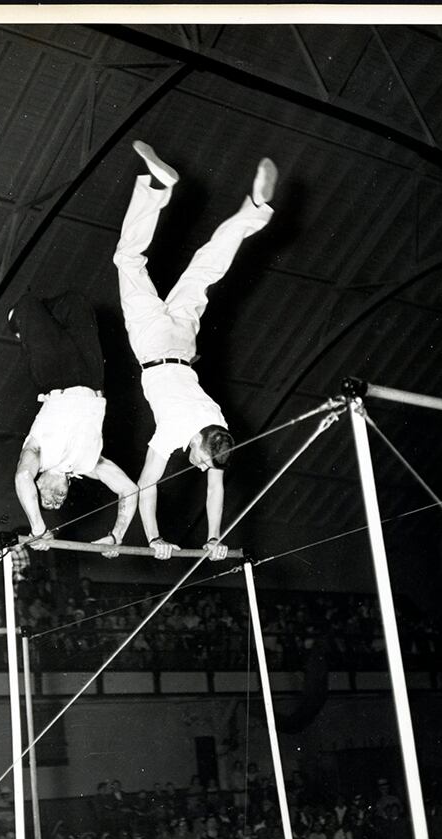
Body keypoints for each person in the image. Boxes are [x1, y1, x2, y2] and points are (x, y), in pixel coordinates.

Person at [113, 140, 278, 560]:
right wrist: (153, 539)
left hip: (184, 341)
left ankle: (254, 212)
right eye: (204, 462)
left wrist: (214, 539)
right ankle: (156, 186)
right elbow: (146, 488)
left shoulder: (215, 421)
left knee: (205, 267)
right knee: (128, 260)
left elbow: (216, 487)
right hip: (151, 343)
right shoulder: (171, 432)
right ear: (207, 446)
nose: (202, 468)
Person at [9, 289, 138, 554]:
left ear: (39, 482)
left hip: (56, 376)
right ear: (69, 488)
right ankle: (45, 321)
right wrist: (116, 536)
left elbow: (22, 476)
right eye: (60, 501)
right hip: (93, 378)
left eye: (46, 499)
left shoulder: (37, 456)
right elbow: (130, 489)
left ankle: (23, 328)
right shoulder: (88, 464)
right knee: (76, 301)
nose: (54, 502)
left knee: (28, 304)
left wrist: (37, 529)